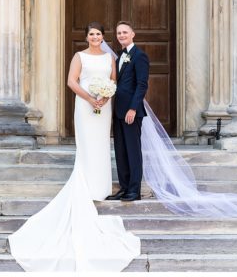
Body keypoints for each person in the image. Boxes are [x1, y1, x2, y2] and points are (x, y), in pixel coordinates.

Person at [9, 22, 140, 271]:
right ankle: (85, 185)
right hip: (84, 105)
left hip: (104, 106)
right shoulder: (79, 56)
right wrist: (91, 98)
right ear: (86, 37)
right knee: (87, 145)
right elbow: (71, 81)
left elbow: (114, 81)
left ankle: (100, 187)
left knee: (101, 144)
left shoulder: (109, 58)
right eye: (91, 34)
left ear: (103, 37)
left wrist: (105, 96)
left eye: (99, 34)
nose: (95, 37)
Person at [107, 20, 149, 202]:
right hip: (118, 111)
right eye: (118, 33)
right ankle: (124, 188)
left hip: (132, 111)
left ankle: (134, 190)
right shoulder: (119, 56)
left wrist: (132, 108)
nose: (121, 35)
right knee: (121, 151)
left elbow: (142, 85)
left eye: (125, 32)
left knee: (133, 151)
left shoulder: (140, 56)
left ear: (133, 34)